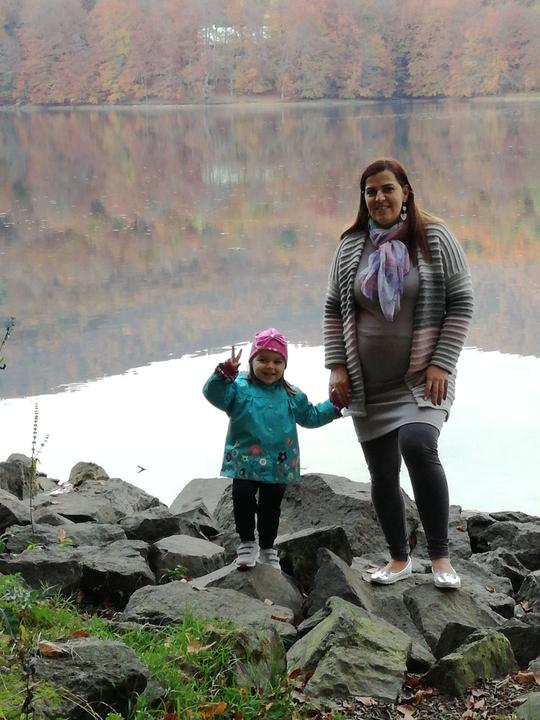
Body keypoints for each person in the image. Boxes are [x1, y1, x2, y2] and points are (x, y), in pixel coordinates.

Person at [324, 158, 473, 589]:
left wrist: (442, 362)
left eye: (387, 188)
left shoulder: (434, 237)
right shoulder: (351, 245)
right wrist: (337, 367)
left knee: (418, 443)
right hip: (367, 384)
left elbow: (462, 302)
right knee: (383, 472)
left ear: (405, 191)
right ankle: (398, 559)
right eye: (370, 191)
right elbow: (333, 307)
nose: (379, 197)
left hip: (423, 378)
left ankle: (441, 557)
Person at [203, 328, 343, 571]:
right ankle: (247, 544)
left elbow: (310, 416)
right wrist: (223, 374)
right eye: (263, 360)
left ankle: (268, 548)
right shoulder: (238, 388)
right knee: (242, 498)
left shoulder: (291, 394)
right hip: (245, 460)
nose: (270, 366)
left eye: (278, 361)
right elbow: (213, 394)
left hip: (279, 462)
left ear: (285, 365)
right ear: (252, 361)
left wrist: (334, 406)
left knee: (271, 507)